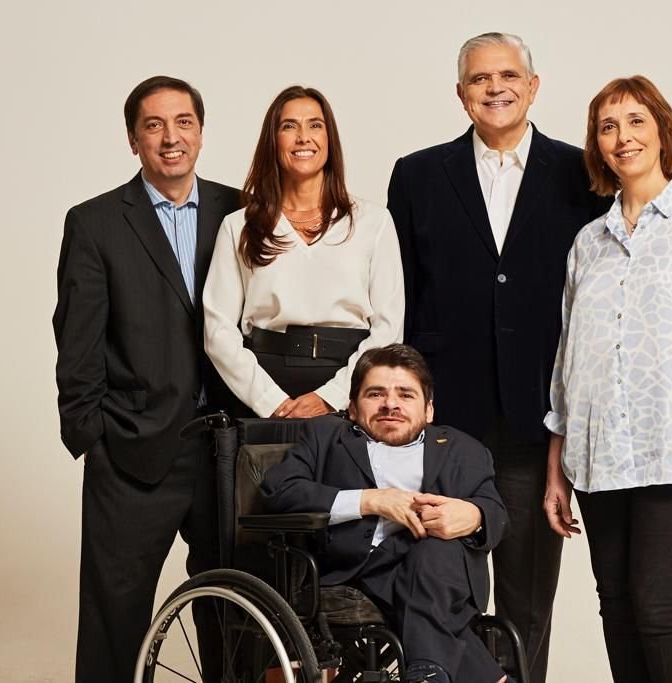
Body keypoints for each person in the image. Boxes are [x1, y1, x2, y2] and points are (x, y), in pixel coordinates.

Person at [386, 31, 607, 682]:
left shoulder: (581, 173)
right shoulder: (418, 175)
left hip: (538, 417)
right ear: (461, 94)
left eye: (508, 75)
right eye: (480, 79)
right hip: (445, 420)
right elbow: (401, 297)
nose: (495, 88)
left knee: (527, 595)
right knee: (439, 586)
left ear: (532, 87)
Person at [543, 75, 672, 683]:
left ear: (663, 130)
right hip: (597, 455)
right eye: (607, 127)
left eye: (636, 121)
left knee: (660, 608)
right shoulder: (589, 242)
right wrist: (557, 464)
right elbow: (567, 358)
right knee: (617, 606)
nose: (623, 137)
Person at [53, 76, 241, 682]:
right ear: (133, 139)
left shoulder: (241, 210)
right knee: (115, 619)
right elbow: (77, 338)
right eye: (153, 125)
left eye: (183, 122)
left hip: (230, 447)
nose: (170, 137)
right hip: (133, 449)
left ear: (201, 133)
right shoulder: (96, 222)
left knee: (237, 613)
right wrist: (93, 435)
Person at [263, 344, 511, 683]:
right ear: (352, 408)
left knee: (434, 553)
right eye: (376, 394)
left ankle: (429, 672)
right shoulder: (324, 436)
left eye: (406, 395)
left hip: (438, 569)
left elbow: (496, 512)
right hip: (359, 567)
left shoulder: (464, 449)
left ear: (429, 410)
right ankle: (437, 673)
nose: (391, 404)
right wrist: (371, 500)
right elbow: (279, 490)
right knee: (432, 586)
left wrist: (473, 515)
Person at [204, 85, 404, 420]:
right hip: (265, 385)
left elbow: (389, 328)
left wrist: (333, 396)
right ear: (273, 140)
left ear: (329, 138)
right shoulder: (239, 226)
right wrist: (269, 400)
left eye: (315, 125)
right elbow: (218, 330)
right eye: (289, 126)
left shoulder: (374, 223)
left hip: (351, 386)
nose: (303, 137)